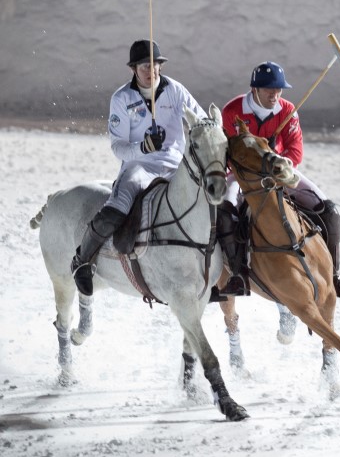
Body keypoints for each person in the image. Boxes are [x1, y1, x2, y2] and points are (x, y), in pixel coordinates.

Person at [70, 40, 224, 297]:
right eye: (144, 66)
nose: (150, 70)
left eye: (154, 65)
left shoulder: (175, 90)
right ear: (133, 69)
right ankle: (82, 260)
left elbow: (199, 121)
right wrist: (143, 147)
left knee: (213, 203)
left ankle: (222, 270)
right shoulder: (122, 98)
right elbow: (118, 147)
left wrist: (212, 127)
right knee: (117, 207)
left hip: (175, 166)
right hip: (140, 167)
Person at [220, 61, 340, 299]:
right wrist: (252, 163)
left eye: (278, 89)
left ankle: (333, 274)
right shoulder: (233, 111)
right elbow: (225, 151)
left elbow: (296, 151)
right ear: (254, 89)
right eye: (268, 89)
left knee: (328, 211)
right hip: (243, 176)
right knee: (226, 212)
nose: (275, 94)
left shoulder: (288, 110)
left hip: (280, 172)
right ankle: (237, 274)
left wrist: (275, 160)